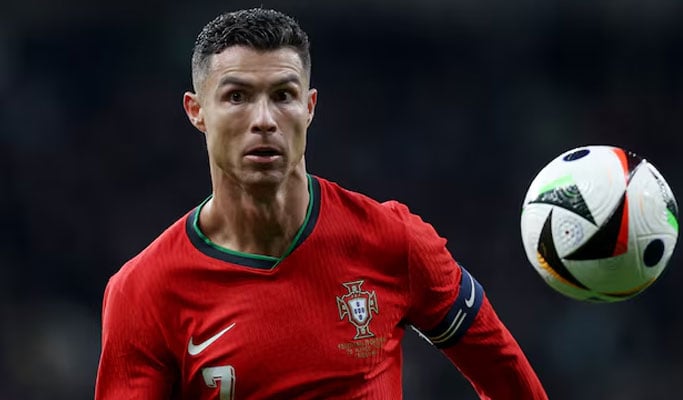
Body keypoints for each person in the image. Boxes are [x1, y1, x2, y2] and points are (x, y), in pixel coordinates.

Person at [95, 8, 548, 400]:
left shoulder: (393, 240)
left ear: (309, 107)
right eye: (237, 97)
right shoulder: (144, 292)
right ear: (197, 111)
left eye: (283, 95)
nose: (264, 120)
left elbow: (506, 375)